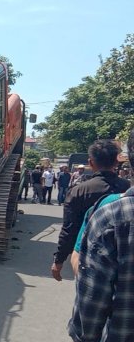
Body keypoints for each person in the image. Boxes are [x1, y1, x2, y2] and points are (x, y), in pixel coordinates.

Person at [68, 131, 134, 341]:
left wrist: (58, 259)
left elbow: (91, 308)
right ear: (118, 161)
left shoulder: (110, 216)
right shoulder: (120, 193)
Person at [50, 140, 130, 281]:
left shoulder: (79, 191)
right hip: (125, 255)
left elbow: (69, 228)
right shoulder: (127, 188)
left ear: (91, 162)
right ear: (116, 163)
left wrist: (59, 260)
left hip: (86, 255)